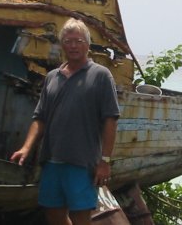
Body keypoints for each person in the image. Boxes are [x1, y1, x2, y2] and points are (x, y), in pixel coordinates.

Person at [11, 17, 120, 225]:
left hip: (82, 162)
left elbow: (110, 120)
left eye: (78, 41)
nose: (73, 46)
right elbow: (39, 117)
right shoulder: (52, 77)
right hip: (52, 160)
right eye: (68, 41)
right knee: (54, 214)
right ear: (62, 45)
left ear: (87, 45)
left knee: (81, 217)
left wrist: (105, 161)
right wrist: (26, 147)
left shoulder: (101, 75)